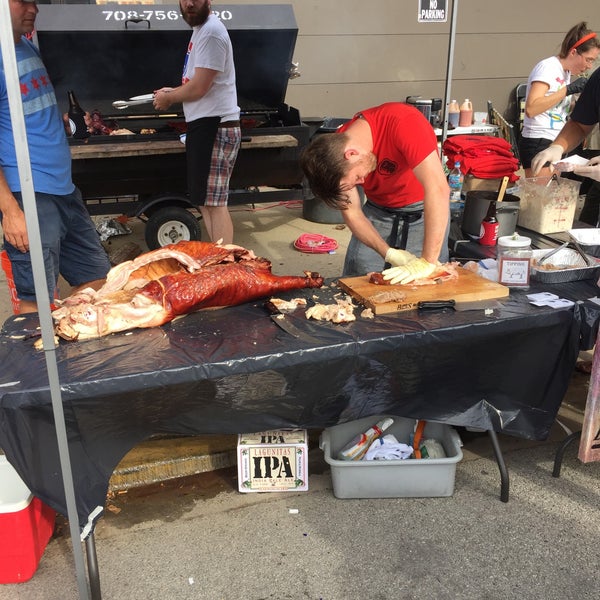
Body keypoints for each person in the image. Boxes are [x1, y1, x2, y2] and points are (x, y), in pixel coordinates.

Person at [0, 0, 111, 314]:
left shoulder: (24, 45)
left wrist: (59, 123)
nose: (33, 8)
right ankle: (37, 361)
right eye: (23, 1)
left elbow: (22, 116)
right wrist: (10, 211)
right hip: (30, 194)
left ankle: (66, 342)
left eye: (36, 2)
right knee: (35, 300)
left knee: (98, 279)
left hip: (64, 190)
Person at [300, 102, 450, 284]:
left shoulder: (404, 123)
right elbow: (353, 213)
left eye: (356, 177)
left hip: (425, 212)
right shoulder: (335, 149)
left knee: (427, 285)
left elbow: (438, 189)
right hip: (378, 210)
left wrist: (427, 262)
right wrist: (388, 253)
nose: (362, 182)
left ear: (351, 153)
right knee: (359, 280)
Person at [153, 0, 241, 245]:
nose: (189, 3)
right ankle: (218, 258)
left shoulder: (212, 32)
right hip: (205, 125)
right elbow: (197, 81)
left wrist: (169, 98)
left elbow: (200, 87)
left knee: (215, 203)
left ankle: (226, 266)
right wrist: (172, 90)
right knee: (205, 201)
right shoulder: (201, 30)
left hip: (216, 126)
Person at [518, 22, 600, 178]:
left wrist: (582, 105)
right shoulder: (548, 67)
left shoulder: (565, 73)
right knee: (543, 198)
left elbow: (556, 107)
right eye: (588, 60)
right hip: (539, 140)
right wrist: (567, 90)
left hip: (555, 139)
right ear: (574, 52)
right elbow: (531, 109)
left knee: (554, 196)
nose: (590, 66)